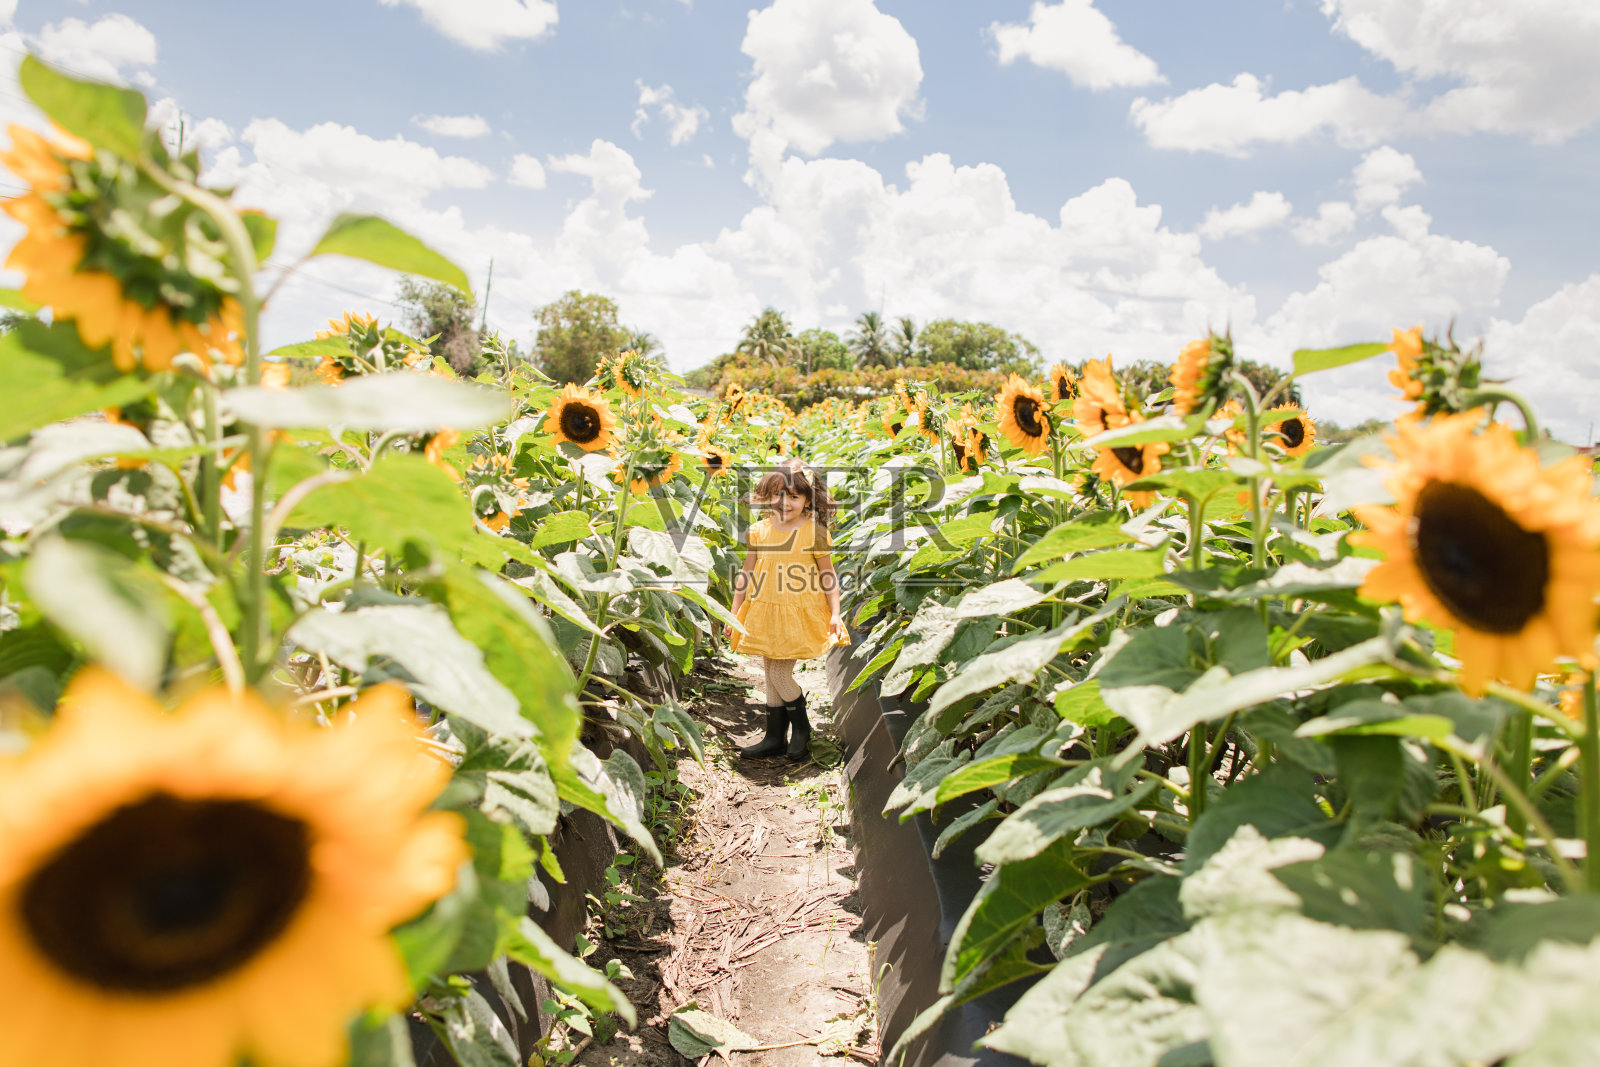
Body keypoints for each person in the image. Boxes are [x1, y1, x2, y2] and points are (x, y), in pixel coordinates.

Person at [728, 461, 845, 761]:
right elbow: (746, 574)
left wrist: (835, 613)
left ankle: (802, 730)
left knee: (780, 673)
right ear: (768, 495)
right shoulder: (760, 531)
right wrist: (733, 612)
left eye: (794, 496)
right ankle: (774, 737)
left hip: (796, 612)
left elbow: (828, 576)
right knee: (769, 672)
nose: (785, 502)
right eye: (778, 494)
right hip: (764, 609)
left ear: (808, 499)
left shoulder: (813, 532)